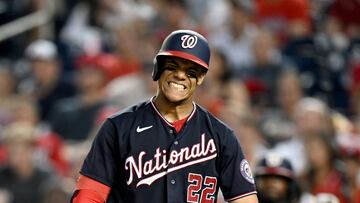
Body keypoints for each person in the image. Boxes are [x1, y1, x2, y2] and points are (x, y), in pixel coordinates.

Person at [70, 29, 258, 203]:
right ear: (158, 67)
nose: (180, 75)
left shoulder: (221, 136)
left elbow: (245, 199)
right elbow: (89, 194)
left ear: (201, 78)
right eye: (172, 66)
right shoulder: (119, 127)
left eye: (191, 71)